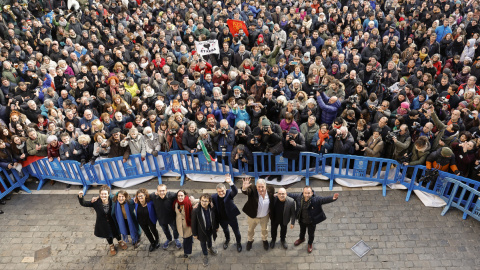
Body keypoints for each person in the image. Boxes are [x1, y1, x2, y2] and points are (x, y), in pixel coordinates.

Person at [288, 186, 339, 253]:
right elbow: (290, 195)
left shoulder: (316, 199)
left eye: (308, 193)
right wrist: (279, 193)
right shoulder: (298, 197)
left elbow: (324, 199)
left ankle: (310, 244)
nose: (307, 195)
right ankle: (301, 239)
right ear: (303, 193)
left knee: (311, 234)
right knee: (302, 231)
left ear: (312, 193)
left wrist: (333, 198)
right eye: (305, 193)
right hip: (302, 220)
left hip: (311, 221)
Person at [78, 185, 125, 256]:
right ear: (99, 194)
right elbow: (84, 203)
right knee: (108, 236)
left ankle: (120, 241)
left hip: (113, 221)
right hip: (103, 223)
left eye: (105, 194)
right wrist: (80, 196)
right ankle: (111, 246)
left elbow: (120, 194)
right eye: (102, 194)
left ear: (108, 194)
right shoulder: (96, 202)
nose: (103, 195)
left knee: (117, 233)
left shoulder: (113, 200)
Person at [241, 177, 275, 251]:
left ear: (266, 186)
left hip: (265, 216)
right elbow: (247, 192)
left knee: (265, 229)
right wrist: (244, 188)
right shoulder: (252, 190)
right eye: (258, 187)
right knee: (250, 230)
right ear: (256, 187)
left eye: (262, 186)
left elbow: (273, 199)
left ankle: (264, 240)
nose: (260, 189)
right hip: (253, 216)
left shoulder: (271, 189)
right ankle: (250, 240)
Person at [212, 174, 243, 252]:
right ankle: (227, 240)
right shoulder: (214, 197)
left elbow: (235, 191)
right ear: (216, 191)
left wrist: (231, 183)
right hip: (222, 219)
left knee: (236, 231)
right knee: (225, 230)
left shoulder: (229, 193)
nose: (221, 193)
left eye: (222, 191)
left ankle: (238, 243)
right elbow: (205, 199)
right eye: (219, 191)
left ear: (225, 189)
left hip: (231, 218)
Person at [150, 184, 182, 250]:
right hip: (161, 219)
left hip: (172, 219)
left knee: (175, 230)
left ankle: (176, 239)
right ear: (157, 191)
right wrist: (135, 199)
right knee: (165, 230)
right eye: (160, 191)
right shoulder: (153, 196)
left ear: (166, 190)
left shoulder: (171, 195)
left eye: (163, 190)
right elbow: (144, 196)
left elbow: (182, 194)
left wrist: (193, 200)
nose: (162, 192)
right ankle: (169, 239)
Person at [191, 193, 219, 267]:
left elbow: (215, 218)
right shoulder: (196, 210)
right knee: (203, 243)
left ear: (209, 201)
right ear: (200, 200)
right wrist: (194, 234)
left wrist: (216, 226)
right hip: (201, 231)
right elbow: (193, 223)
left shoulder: (212, 208)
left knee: (209, 239)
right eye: (202, 200)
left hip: (210, 229)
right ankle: (205, 254)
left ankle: (210, 248)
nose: (203, 202)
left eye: (206, 201)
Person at [173, 190, 197, 258]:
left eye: (181, 196)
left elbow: (200, 200)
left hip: (188, 225)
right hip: (180, 224)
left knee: (186, 240)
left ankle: (187, 252)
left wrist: (194, 200)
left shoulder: (189, 202)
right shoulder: (176, 203)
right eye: (178, 196)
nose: (180, 197)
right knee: (186, 238)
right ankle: (191, 241)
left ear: (185, 196)